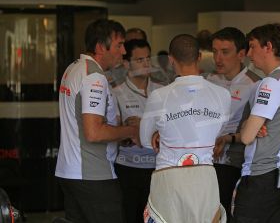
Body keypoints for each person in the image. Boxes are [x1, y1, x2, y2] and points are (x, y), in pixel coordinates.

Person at [55, 19, 140, 223]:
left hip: (72, 173)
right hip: (93, 176)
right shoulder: (94, 77)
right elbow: (94, 132)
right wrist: (130, 131)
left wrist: (119, 133)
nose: (123, 51)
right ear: (101, 47)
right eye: (119, 45)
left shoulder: (74, 68)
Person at [140, 34, 230, 223]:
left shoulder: (159, 96)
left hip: (169, 179)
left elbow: (144, 141)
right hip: (205, 179)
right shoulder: (222, 95)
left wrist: (160, 133)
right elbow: (217, 132)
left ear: (171, 59)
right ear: (199, 57)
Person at [232, 23, 280, 223]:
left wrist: (249, 126)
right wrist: (252, 125)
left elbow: (246, 137)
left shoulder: (271, 83)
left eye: (253, 46)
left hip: (263, 174)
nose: (248, 53)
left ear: (268, 47)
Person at [208, 27, 261, 222]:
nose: (218, 58)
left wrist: (229, 139)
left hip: (234, 164)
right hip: (206, 162)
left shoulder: (256, 84)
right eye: (214, 51)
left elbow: (257, 131)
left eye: (225, 52)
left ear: (241, 54)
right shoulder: (208, 80)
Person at [112, 39, 163, 223]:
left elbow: (173, 129)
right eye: (140, 60)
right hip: (128, 168)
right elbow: (115, 132)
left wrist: (141, 126)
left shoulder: (163, 90)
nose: (146, 64)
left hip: (158, 168)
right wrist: (130, 131)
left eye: (148, 58)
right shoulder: (116, 92)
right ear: (126, 64)